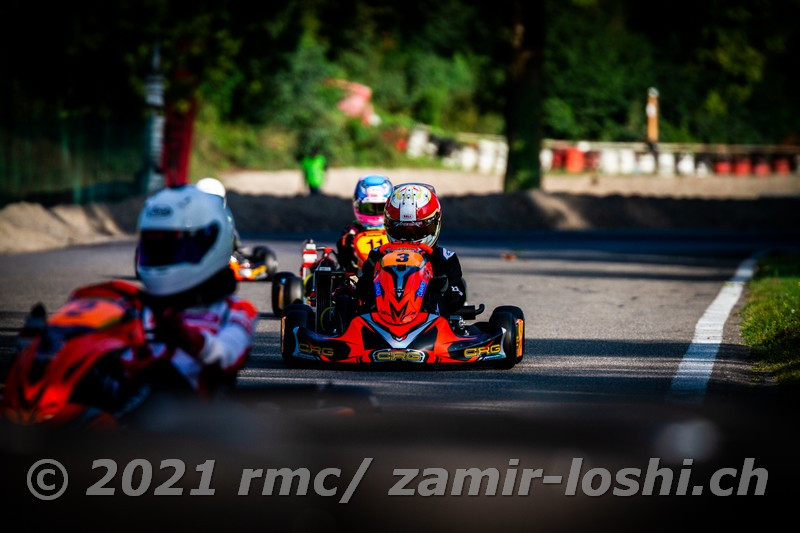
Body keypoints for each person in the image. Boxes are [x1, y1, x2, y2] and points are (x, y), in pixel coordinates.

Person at [134, 184, 258, 396]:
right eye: (154, 248)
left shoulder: (235, 311)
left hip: (196, 410)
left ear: (210, 244)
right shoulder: (136, 306)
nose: (161, 256)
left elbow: (226, 356)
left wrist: (185, 336)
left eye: (172, 249)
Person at [355, 183, 466, 317]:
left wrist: (443, 285)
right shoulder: (377, 254)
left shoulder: (443, 258)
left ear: (435, 223)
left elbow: (458, 297)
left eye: (417, 231)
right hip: (380, 319)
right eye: (400, 231)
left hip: (431, 320)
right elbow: (361, 292)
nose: (409, 238)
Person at [336, 174, 393, 274]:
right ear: (357, 205)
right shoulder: (352, 231)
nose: (375, 212)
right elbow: (342, 259)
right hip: (358, 275)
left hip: (391, 272)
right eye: (368, 208)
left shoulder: (395, 230)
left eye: (381, 207)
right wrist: (348, 245)